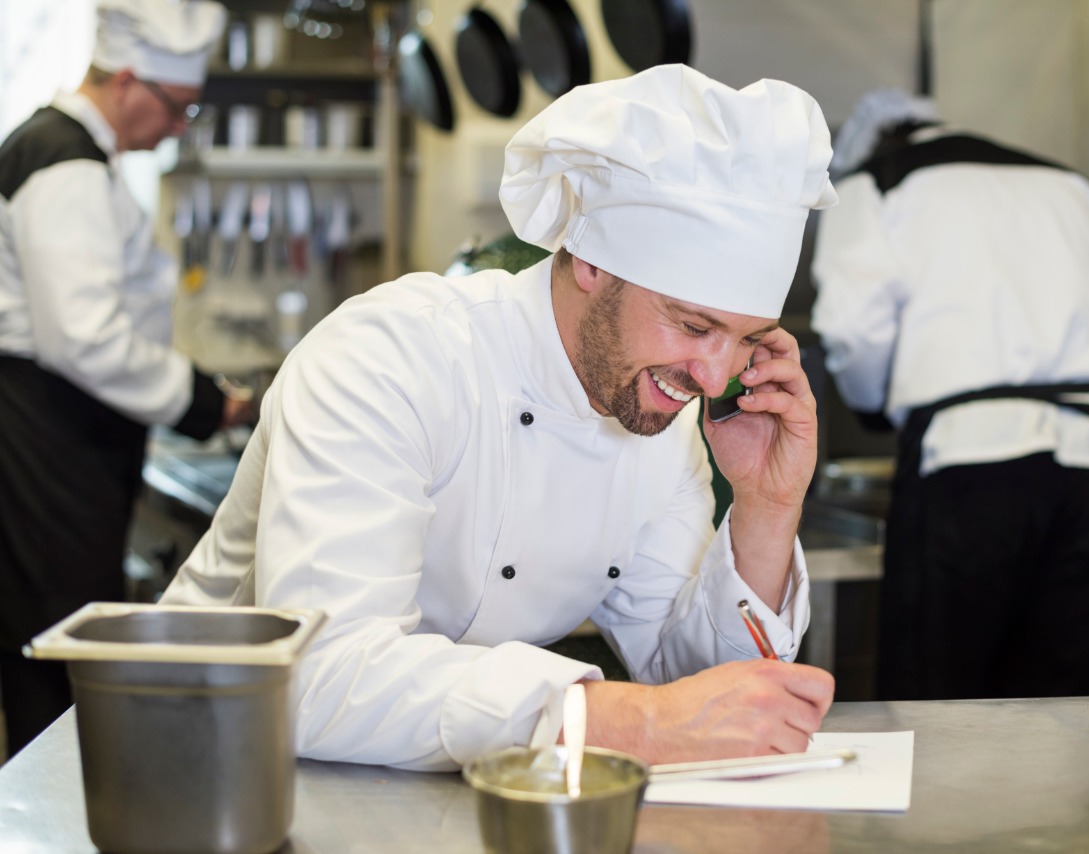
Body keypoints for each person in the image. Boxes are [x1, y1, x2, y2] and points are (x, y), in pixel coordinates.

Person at [161, 64, 839, 771]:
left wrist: (765, 505)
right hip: (198, 760)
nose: (713, 376)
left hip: (401, 789)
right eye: (693, 325)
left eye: (746, 337)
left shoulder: (657, 425)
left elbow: (686, 692)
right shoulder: (393, 359)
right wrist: (623, 721)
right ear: (590, 263)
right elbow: (320, 676)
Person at [810, 90, 1089, 702]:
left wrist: (874, 406)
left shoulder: (876, 185)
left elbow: (852, 331)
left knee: (943, 698)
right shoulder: (1076, 188)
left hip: (963, 470)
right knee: (1077, 705)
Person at [0, 0, 250, 757]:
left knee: (50, 646)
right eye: (177, 109)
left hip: (57, 432)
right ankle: (55, 826)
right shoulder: (64, 160)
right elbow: (85, 337)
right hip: (49, 436)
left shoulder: (66, 152)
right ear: (131, 81)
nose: (177, 128)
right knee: (57, 659)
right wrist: (209, 400)